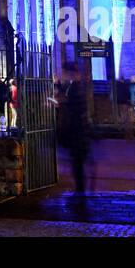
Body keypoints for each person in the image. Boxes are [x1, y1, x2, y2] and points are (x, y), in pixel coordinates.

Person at [59, 65, 91, 193]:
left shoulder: (74, 88)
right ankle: (80, 188)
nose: (64, 75)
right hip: (78, 131)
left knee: (77, 162)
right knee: (77, 162)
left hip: (77, 131)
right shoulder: (75, 87)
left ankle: (80, 190)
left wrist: (63, 103)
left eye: (66, 72)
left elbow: (75, 108)